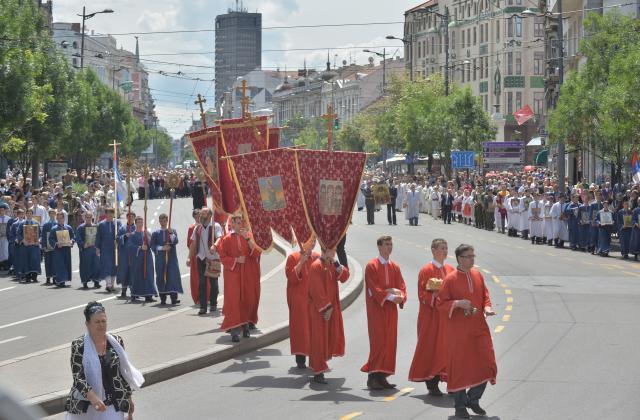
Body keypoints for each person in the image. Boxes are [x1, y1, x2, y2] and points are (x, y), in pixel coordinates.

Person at [438, 244, 497, 419]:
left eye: (473, 256)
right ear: (460, 259)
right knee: (461, 369)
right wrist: (456, 304)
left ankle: (473, 399)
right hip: (459, 332)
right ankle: (460, 406)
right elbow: (440, 304)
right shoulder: (450, 279)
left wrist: (487, 307)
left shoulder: (477, 275)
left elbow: (485, 295)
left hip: (479, 328)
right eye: (469, 256)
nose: (472, 259)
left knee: (488, 364)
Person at [64, 301, 143, 419]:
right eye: (97, 322)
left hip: (112, 405)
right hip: (87, 406)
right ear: (88, 324)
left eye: (103, 321)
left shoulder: (116, 341)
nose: (101, 325)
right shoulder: (79, 345)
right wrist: (93, 398)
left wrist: (128, 400)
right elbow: (78, 377)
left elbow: (122, 374)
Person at [408, 238, 455, 395]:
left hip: (446, 318)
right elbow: (422, 294)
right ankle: (432, 382)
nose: (445, 251)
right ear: (434, 250)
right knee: (431, 348)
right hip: (430, 317)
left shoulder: (450, 269)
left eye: (446, 247)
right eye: (442, 248)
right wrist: (436, 295)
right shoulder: (426, 270)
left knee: (447, 348)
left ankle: (451, 382)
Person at [361, 236, 407, 390]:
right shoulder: (371, 266)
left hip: (391, 310)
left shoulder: (395, 267)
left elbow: (401, 285)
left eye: (391, 244)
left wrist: (400, 297)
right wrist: (391, 294)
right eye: (386, 244)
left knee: (389, 342)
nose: (390, 247)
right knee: (378, 342)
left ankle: (382, 376)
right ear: (379, 247)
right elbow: (374, 289)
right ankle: (373, 376)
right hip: (377, 310)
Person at [307, 246, 350, 384]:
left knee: (329, 337)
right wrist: (327, 307)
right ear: (325, 251)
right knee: (319, 339)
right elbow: (316, 289)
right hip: (320, 309)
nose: (334, 253)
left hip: (331, 307)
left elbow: (345, 277)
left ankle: (322, 364)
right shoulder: (316, 266)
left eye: (335, 251)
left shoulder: (332, 264)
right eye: (332, 251)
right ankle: (318, 371)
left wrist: (337, 264)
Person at [217, 213, 261, 342]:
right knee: (234, 301)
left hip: (247, 273)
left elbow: (257, 252)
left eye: (241, 222)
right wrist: (236, 260)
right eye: (236, 222)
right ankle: (235, 331)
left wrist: (247, 239)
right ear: (232, 223)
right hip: (233, 275)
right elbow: (222, 257)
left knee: (247, 299)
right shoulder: (226, 239)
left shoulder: (248, 236)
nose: (239, 224)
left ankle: (245, 326)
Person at [285, 236, 319, 369]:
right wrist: (301, 262)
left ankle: (315, 358)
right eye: (310, 241)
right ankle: (300, 358)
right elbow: (291, 278)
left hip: (314, 300)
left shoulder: (317, 257)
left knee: (314, 330)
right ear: (303, 242)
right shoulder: (293, 257)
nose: (312, 243)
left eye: (314, 241)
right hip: (299, 300)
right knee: (300, 329)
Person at [188, 208, 223, 314]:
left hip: (213, 258)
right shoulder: (197, 228)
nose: (201, 216)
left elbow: (220, 238)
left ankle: (213, 304)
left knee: (213, 283)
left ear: (209, 216)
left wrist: (215, 246)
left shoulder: (215, 226)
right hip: (201, 258)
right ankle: (203, 306)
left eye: (204, 214)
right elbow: (193, 244)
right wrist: (189, 257)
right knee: (202, 283)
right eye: (201, 214)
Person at [151, 213, 183, 305]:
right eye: (161, 220)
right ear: (159, 221)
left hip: (171, 258)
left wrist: (171, 233)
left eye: (164, 220)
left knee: (172, 277)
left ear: (167, 220)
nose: (162, 222)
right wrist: (161, 248)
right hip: (160, 260)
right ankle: (163, 298)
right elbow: (152, 245)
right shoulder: (155, 233)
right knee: (161, 277)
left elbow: (175, 241)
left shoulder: (172, 231)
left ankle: (174, 298)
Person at [127, 216, 156, 303]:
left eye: (141, 222)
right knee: (137, 275)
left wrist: (148, 237)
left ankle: (149, 295)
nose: (140, 224)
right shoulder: (132, 234)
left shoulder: (146, 233)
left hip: (147, 257)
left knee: (149, 275)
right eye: (138, 222)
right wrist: (140, 247)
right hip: (137, 258)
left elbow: (152, 244)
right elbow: (130, 246)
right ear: (135, 223)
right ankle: (135, 293)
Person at [95, 209, 121, 293]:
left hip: (115, 248)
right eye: (108, 213)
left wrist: (118, 241)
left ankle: (112, 284)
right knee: (106, 266)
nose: (110, 215)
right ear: (105, 214)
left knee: (114, 266)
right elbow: (98, 237)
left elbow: (120, 234)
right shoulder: (101, 224)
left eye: (112, 213)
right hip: (105, 248)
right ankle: (108, 284)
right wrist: (98, 248)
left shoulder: (117, 223)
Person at [49, 211, 75, 288]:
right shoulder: (54, 229)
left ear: (64, 218)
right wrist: (56, 243)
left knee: (66, 264)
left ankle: (63, 279)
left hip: (66, 250)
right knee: (60, 265)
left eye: (61, 218)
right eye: (58, 218)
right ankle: (61, 281)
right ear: (56, 219)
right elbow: (50, 239)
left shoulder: (68, 227)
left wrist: (71, 241)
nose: (60, 220)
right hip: (58, 250)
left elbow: (73, 236)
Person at [76, 212, 101, 289]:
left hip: (94, 249)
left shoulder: (95, 226)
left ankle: (96, 281)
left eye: (90, 217)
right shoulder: (80, 227)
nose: (89, 219)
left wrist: (98, 248)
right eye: (87, 217)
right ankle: (85, 282)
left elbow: (99, 238)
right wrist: (83, 245)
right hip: (85, 250)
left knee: (96, 265)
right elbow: (78, 238)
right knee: (85, 266)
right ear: (84, 218)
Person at [17, 208, 40, 283]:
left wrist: (39, 240)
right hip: (26, 246)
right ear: (26, 214)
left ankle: (34, 277)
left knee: (34, 261)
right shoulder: (22, 224)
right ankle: (27, 277)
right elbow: (18, 234)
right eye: (28, 213)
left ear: (32, 214)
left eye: (30, 213)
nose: (29, 215)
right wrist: (23, 240)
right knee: (27, 261)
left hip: (34, 246)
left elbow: (40, 234)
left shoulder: (36, 223)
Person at [116, 213, 136, 298]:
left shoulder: (137, 227)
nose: (130, 218)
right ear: (127, 218)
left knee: (133, 272)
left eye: (132, 217)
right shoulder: (122, 228)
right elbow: (117, 238)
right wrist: (125, 236)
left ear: (134, 218)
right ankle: (123, 290)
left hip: (134, 254)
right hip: (124, 253)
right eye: (129, 217)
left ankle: (133, 290)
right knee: (124, 271)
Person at [41, 208, 57, 284]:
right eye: (51, 213)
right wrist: (44, 246)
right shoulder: (46, 224)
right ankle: (48, 278)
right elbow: (43, 236)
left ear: (55, 215)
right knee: (48, 262)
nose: (52, 215)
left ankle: (54, 277)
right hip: (47, 246)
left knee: (55, 262)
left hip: (55, 246)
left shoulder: (57, 224)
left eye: (53, 213)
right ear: (49, 214)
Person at [0, 203, 10, 271]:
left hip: (6, 237)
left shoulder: (8, 218)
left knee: (6, 251)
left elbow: (10, 228)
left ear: (5, 210)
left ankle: (6, 265)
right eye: (0, 210)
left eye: (3, 210)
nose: (2, 211)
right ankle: (1, 266)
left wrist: (7, 234)